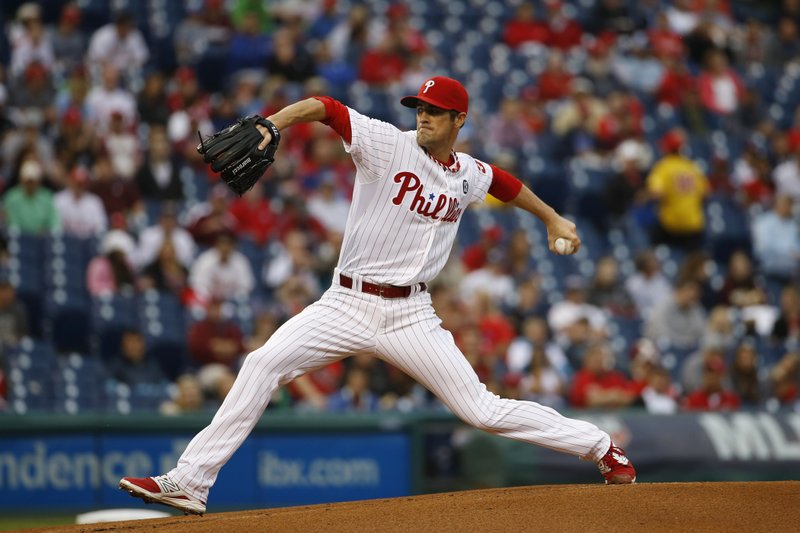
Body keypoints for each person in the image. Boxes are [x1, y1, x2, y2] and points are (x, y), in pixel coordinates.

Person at [119, 76, 636, 515]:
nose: (424, 117)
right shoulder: (387, 143)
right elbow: (325, 106)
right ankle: (191, 481)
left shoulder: (468, 174)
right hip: (346, 302)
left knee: (481, 410)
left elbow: (503, 182)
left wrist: (551, 217)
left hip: (412, 313)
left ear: (459, 121)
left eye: (435, 112)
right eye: (420, 108)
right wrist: (275, 122)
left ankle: (601, 448)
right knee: (261, 363)